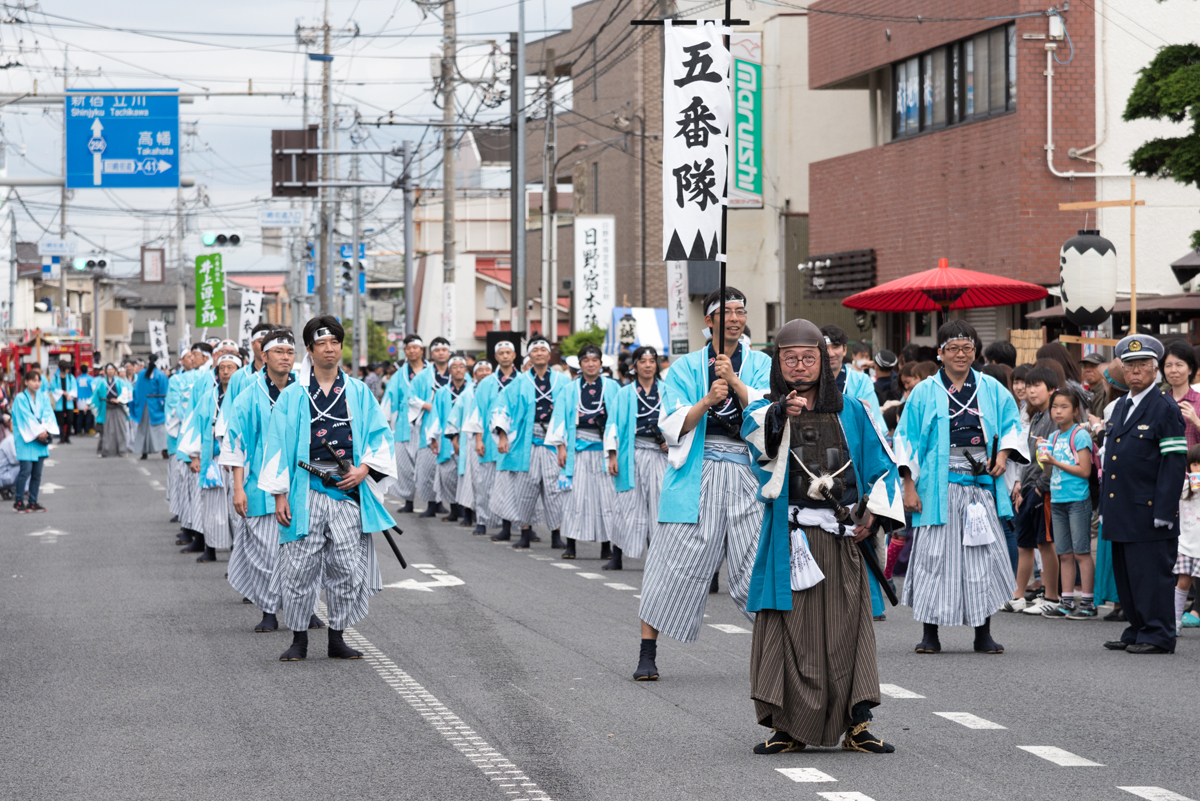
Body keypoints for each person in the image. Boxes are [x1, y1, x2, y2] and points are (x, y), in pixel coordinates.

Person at [741, 318, 904, 755]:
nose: (799, 366)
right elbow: (758, 445)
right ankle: (785, 727)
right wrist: (780, 415)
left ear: (824, 361)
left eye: (808, 358)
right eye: (790, 359)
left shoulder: (853, 409)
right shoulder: (763, 408)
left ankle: (858, 724)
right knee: (787, 630)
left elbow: (884, 467)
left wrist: (872, 512)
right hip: (788, 540)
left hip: (839, 537)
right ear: (778, 363)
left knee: (847, 631)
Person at [633, 287, 771, 681]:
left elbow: (768, 416)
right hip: (699, 470)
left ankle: (774, 653)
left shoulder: (761, 363)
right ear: (708, 321)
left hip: (748, 473)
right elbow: (672, 425)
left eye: (740, 311)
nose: (734, 317)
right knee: (670, 560)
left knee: (756, 562)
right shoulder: (684, 368)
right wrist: (708, 399)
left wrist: (737, 384)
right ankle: (648, 651)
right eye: (725, 312)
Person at [259, 316, 398, 662]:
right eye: (321, 343)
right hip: (305, 490)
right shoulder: (293, 395)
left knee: (346, 566)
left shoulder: (358, 391)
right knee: (299, 565)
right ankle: (299, 638)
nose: (329, 349)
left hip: (347, 490)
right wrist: (279, 494)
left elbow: (381, 436)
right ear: (310, 350)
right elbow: (275, 444)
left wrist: (364, 469)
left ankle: (337, 636)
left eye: (335, 342)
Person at [893, 320, 1027, 654]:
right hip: (938, 488)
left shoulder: (992, 388)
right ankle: (930, 633)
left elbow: (1013, 425)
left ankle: (983, 632)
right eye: (952, 348)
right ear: (940, 353)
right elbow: (905, 437)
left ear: (975, 351)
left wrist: (1005, 453)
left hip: (981, 485)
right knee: (933, 558)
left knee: (981, 558)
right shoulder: (924, 391)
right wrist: (909, 485)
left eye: (967, 348)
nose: (960, 354)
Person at [1100, 334, 1187, 655]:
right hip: (1121, 506)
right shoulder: (1122, 404)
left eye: (1142, 366)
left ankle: (1159, 634)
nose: (1135, 372)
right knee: (1128, 575)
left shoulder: (1163, 406)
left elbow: (1174, 461)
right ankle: (1137, 628)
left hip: (1150, 508)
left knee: (1151, 575)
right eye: (1130, 366)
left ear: (1155, 371)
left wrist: (1165, 509)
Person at [220, 328, 306, 633]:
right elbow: (236, 443)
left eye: (290, 352)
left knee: (304, 553)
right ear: (264, 355)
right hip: (259, 485)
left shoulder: (304, 391)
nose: (285, 357)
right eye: (278, 352)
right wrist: (238, 488)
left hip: (301, 485)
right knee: (266, 552)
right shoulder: (248, 395)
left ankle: (303, 609)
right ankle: (269, 609)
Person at [489, 335, 571, 548]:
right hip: (528, 440)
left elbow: (571, 410)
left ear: (549, 353)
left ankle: (556, 534)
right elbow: (502, 406)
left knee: (554, 490)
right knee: (525, 487)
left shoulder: (562, 381)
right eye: (535, 351)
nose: (539, 354)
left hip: (554, 441)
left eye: (543, 350)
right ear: (529, 355)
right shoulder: (519, 381)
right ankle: (524, 532)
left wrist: (565, 443)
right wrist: (503, 435)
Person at [547, 344, 622, 558]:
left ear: (601, 363)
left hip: (604, 450)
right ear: (580, 364)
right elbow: (559, 418)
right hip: (576, 449)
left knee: (606, 498)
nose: (590, 364)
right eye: (586, 360)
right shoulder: (570, 389)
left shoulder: (612, 387)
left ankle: (606, 546)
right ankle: (571, 544)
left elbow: (618, 418)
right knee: (574, 498)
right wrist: (560, 447)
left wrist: (615, 451)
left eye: (594, 360)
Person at [1001, 366, 1061, 614]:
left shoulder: (1052, 418)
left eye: (1037, 386)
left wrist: (1039, 488)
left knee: (1045, 543)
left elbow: (1050, 459)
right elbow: (1027, 457)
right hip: (1027, 488)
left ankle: (1052, 597)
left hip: (1042, 490)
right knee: (1024, 544)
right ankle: (1017, 596)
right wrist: (1021, 485)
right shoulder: (1035, 416)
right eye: (1029, 385)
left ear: (1052, 390)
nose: (1030, 390)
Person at [606, 345, 669, 569]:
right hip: (631, 454)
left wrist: (671, 441)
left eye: (652, 361)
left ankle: (657, 557)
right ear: (635, 366)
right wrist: (612, 455)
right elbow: (612, 424)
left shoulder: (668, 391)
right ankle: (617, 555)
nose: (648, 365)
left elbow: (679, 420)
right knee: (626, 504)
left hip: (660, 455)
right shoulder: (624, 393)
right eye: (643, 361)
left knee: (659, 505)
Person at [178, 352, 242, 563]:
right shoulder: (209, 397)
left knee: (236, 510)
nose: (225, 372)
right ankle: (211, 548)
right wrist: (194, 456)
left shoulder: (243, 396)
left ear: (238, 371)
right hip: (212, 460)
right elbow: (196, 426)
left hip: (235, 462)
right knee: (211, 506)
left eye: (230, 368)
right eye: (222, 368)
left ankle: (237, 553)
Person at [1038, 389, 1096, 619]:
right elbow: (1050, 471)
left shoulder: (1079, 435)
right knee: (1064, 553)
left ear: (1075, 410)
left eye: (1064, 407)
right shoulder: (1053, 437)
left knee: (1081, 552)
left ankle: (1089, 604)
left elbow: (1084, 471)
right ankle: (1067, 601)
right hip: (1058, 498)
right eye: (1054, 407)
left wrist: (1054, 461)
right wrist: (1044, 458)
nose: (1058, 411)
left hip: (1077, 500)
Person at [466, 340, 519, 537]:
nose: (505, 356)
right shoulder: (486, 383)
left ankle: (515, 524)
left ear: (514, 356)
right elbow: (477, 412)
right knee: (485, 483)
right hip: (489, 441)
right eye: (501, 353)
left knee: (511, 485)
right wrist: (478, 439)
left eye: (508, 352)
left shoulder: (522, 380)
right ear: (496, 357)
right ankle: (482, 520)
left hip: (514, 441)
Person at [381, 334, 428, 514]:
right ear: (405, 351)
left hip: (427, 422)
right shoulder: (399, 375)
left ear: (421, 350)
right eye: (409, 348)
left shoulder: (431, 372)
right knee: (404, 464)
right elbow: (388, 399)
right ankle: (408, 499)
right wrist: (385, 424)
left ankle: (435, 501)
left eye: (415, 347)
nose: (412, 351)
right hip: (403, 424)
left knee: (428, 464)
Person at [427, 353, 473, 523]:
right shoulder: (441, 392)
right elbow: (435, 416)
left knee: (468, 475)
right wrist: (433, 438)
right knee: (447, 475)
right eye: (455, 367)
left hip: (467, 437)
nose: (458, 370)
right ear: (449, 370)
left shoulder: (472, 390)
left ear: (466, 369)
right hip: (446, 440)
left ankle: (469, 510)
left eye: (461, 366)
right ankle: (454, 508)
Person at [412, 336, 453, 517]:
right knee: (427, 467)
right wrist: (431, 406)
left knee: (451, 467)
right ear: (431, 353)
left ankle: (455, 506)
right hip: (430, 424)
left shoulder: (458, 372)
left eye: (444, 350)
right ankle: (431, 503)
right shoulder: (422, 376)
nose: (441, 353)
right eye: (437, 350)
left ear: (449, 352)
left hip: (453, 425)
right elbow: (411, 398)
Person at [453, 360, 493, 530]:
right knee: (473, 480)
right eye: (480, 370)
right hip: (472, 440)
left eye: (487, 369)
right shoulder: (467, 393)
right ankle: (473, 516)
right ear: (474, 374)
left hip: (495, 439)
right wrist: (454, 438)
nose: (484, 372)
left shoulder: (499, 388)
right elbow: (455, 415)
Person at [821, 326, 884, 430]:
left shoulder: (862, 381)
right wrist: (854, 405)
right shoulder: (810, 380)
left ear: (844, 349)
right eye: (825, 348)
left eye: (835, 347)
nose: (831, 354)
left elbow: (872, 421)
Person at [12, 369, 57, 512]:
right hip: (26, 439)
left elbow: (48, 414)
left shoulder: (43, 398)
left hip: (39, 438)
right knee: (25, 471)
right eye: (33, 380)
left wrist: (44, 430)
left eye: (39, 381)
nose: (37, 383)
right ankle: (18, 501)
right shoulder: (20, 398)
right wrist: (39, 432)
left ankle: (33, 501)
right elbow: (25, 417)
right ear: (26, 382)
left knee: (37, 473)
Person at [1174, 445, 1200, 634]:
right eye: (1194, 465)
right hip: (1185, 544)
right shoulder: (1183, 489)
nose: (1197, 469)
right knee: (1183, 581)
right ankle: (1174, 621)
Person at [130, 354, 170, 460]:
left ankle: (144, 452)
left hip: (143, 405)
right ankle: (164, 449)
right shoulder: (161, 375)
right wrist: (162, 404)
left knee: (143, 429)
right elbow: (164, 391)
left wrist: (136, 403)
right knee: (160, 429)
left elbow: (136, 390)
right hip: (156, 405)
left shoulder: (141, 373)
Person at [1161, 340, 1200, 448]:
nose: (1173, 370)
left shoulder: (1198, 401)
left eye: (1179, 365)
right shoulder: (1158, 402)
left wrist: (1197, 422)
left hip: (1192, 464)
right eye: (1168, 365)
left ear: (1190, 369)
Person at [93, 363, 132, 458]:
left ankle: (122, 451)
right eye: (108, 369)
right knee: (106, 430)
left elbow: (124, 393)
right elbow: (96, 395)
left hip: (118, 407)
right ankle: (105, 451)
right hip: (106, 407)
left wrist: (118, 400)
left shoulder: (120, 381)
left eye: (112, 369)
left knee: (121, 429)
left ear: (115, 370)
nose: (110, 371)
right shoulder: (101, 382)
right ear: (106, 371)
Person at [229, 322, 276, 400]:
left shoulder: (284, 375)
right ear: (252, 344)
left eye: (268, 342)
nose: (264, 345)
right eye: (260, 342)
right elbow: (229, 406)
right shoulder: (237, 376)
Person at [48, 359, 77, 444]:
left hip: (69, 402)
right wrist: (62, 392)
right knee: (60, 421)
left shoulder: (71, 377)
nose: (68, 370)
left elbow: (74, 388)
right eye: (66, 368)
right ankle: (62, 438)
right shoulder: (56, 377)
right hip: (59, 402)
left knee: (70, 420)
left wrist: (70, 395)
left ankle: (67, 437)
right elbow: (53, 389)